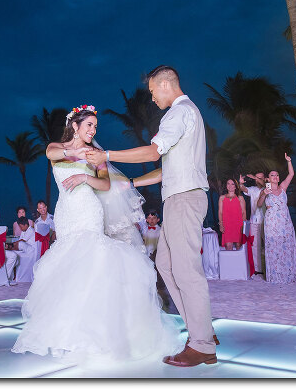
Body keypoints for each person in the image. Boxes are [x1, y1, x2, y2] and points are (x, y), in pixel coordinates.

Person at [13, 104, 182, 363]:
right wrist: (74, 152)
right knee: (68, 268)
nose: (93, 129)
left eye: (95, 126)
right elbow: (50, 152)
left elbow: (104, 183)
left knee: (90, 263)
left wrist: (85, 178)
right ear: (75, 126)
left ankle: (94, 334)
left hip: (88, 211)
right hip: (66, 214)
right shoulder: (59, 149)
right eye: (89, 125)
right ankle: (67, 332)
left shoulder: (97, 154)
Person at [86, 65, 216, 368]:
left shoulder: (178, 113)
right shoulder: (184, 114)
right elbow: (165, 168)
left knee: (186, 269)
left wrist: (106, 156)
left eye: (152, 90)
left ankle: (202, 344)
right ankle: (202, 330)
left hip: (185, 198)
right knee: (166, 263)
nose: (152, 97)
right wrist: (130, 183)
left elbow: (153, 153)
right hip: (178, 196)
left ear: (165, 84)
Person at [256, 154, 296, 284]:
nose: (276, 177)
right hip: (272, 222)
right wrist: (263, 195)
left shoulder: (283, 187)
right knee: (274, 248)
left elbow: (291, 174)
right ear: (268, 178)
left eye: (277, 175)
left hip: (285, 222)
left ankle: (287, 275)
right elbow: (259, 205)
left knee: (286, 247)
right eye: (272, 175)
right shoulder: (265, 190)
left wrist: (289, 161)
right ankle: (275, 276)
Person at [239, 172, 266, 274]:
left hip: (267, 221)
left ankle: (270, 267)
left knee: (268, 245)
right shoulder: (253, 189)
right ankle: (257, 269)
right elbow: (244, 189)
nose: (257, 180)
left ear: (265, 178)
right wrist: (241, 184)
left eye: (260, 178)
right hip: (254, 221)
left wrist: (255, 177)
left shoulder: (267, 188)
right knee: (255, 246)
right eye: (256, 178)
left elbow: (263, 184)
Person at [219, 179, 246, 251]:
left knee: (238, 246)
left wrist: (243, 227)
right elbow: (220, 212)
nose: (230, 186)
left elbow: (243, 212)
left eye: (232, 184)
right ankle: (230, 262)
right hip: (227, 225)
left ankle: (239, 262)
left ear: (235, 186)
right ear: (226, 186)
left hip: (238, 225)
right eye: (228, 183)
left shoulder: (240, 198)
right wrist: (221, 224)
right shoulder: (222, 198)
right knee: (228, 246)